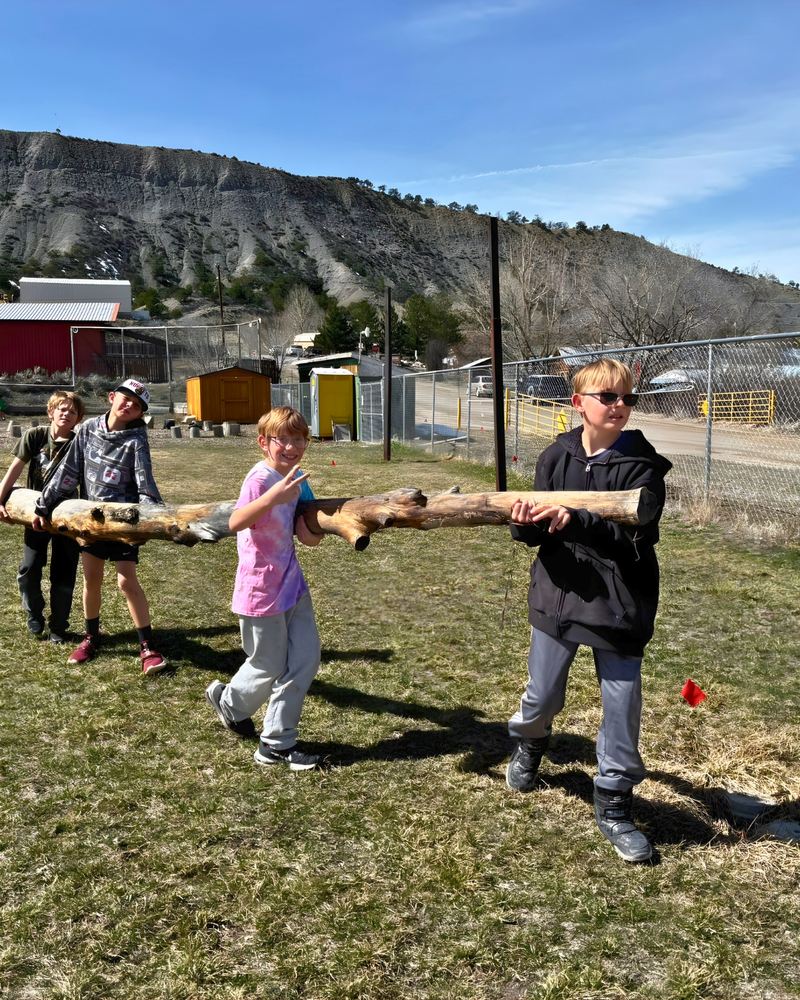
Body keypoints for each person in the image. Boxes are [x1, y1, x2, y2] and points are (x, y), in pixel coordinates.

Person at [505, 359, 672, 863]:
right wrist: (524, 523)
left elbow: (635, 538)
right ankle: (530, 746)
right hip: (557, 596)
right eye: (608, 397)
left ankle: (615, 804)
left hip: (618, 604)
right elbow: (533, 533)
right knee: (541, 695)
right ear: (579, 403)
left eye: (627, 398)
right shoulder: (554, 457)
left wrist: (578, 521)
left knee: (620, 709)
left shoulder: (644, 467)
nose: (620, 406)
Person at [205, 406, 324, 770]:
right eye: (282, 439)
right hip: (261, 588)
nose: (291, 447)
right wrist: (274, 497)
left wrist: (314, 521)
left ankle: (275, 742)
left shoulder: (298, 478)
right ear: (263, 442)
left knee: (305, 657)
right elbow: (237, 520)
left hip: (293, 583)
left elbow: (308, 539)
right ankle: (231, 703)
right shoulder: (259, 479)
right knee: (267, 664)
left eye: (298, 439)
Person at [32, 378, 168, 675]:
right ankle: (91, 637)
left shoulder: (137, 439)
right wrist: (43, 505)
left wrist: (151, 515)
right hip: (90, 521)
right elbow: (69, 471)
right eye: (126, 398)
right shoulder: (87, 430)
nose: (130, 405)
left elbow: (144, 481)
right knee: (91, 579)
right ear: (111, 397)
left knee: (125, 581)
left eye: (137, 405)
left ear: (140, 414)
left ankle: (147, 646)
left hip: (122, 522)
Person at [0, 390, 84, 641]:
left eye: (72, 412)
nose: (66, 414)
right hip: (33, 514)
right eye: (62, 409)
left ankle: (59, 626)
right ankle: (34, 612)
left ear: (78, 419)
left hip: (66, 518)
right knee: (30, 568)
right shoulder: (35, 436)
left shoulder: (79, 444)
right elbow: (15, 469)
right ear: (51, 412)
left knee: (64, 570)